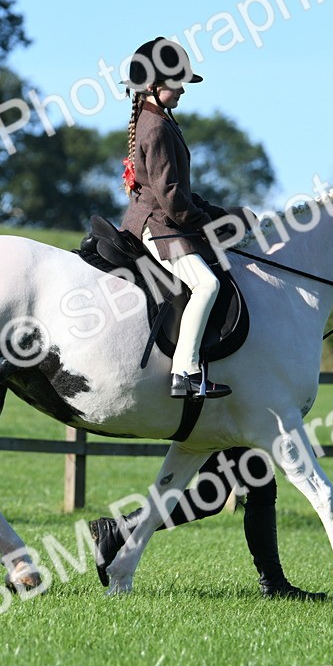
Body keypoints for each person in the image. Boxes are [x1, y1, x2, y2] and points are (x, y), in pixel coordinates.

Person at [119, 36, 235, 399]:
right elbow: (171, 200)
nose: (183, 89)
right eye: (177, 83)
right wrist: (210, 225)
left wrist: (219, 214)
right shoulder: (156, 127)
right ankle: (185, 372)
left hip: (163, 220)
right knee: (207, 285)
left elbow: (176, 191)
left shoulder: (157, 120)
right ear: (153, 86)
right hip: (158, 226)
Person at [90, 447, 326, 600]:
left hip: (223, 407)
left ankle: (274, 583)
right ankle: (274, 584)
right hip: (221, 407)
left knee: (215, 494)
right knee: (231, 489)